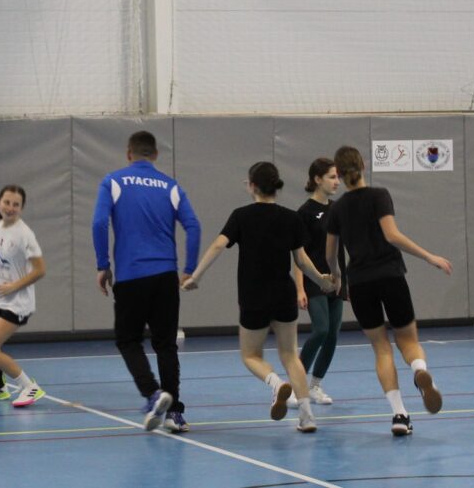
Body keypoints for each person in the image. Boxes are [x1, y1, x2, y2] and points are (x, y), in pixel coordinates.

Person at [182, 161, 332, 433]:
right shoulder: (291, 217)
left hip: (254, 296)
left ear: (252, 186)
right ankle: (307, 417)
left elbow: (218, 245)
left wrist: (196, 276)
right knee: (290, 355)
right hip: (284, 294)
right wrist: (321, 279)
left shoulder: (241, 216)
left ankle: (276, 384)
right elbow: (301, 260)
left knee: (250, 355)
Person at [324, 146, 451, 436]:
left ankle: (399, 415)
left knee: (381, 349)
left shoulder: (337, 208)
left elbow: (330, 254)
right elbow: (392, 235)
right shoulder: (379, 195)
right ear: (364, 166)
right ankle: (419, 370)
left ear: (339, 174)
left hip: (360, 282)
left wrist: (336, 277)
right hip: (391, 276)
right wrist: (429, 256)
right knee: (408, 340)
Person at [92, 131, 201, 433]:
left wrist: (103, 264)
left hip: (131, 276)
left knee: (128, 340)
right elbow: (193, 225)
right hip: (165, 276)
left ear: (129, 153)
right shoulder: (171, 186)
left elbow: (99, 222)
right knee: (166, 345)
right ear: (155, 155)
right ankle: (175, 413)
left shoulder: (113, 182)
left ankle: (153, 394)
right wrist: (189, 268)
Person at [0, 185, 48, 407]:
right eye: (7, 202)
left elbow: (40, 270)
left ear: (21, 208)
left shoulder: (25, 235)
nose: (10, 207)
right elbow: (4, 260)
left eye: (16, 204)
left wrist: (14, 286)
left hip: (18, 302)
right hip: (0, 296)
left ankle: (29, 387)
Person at [293, 157, 345, 404]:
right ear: (317, 179)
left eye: (338, 177)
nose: (337, 182)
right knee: (321, 330)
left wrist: (344, 278)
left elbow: (342, 248)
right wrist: (300, 288)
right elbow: (298, 255)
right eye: (332, 177)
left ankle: (315, 385)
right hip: (314, 280)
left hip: (336, 280)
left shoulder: (338, 209)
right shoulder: (304, 213)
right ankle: (296, 385)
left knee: (332, 335)